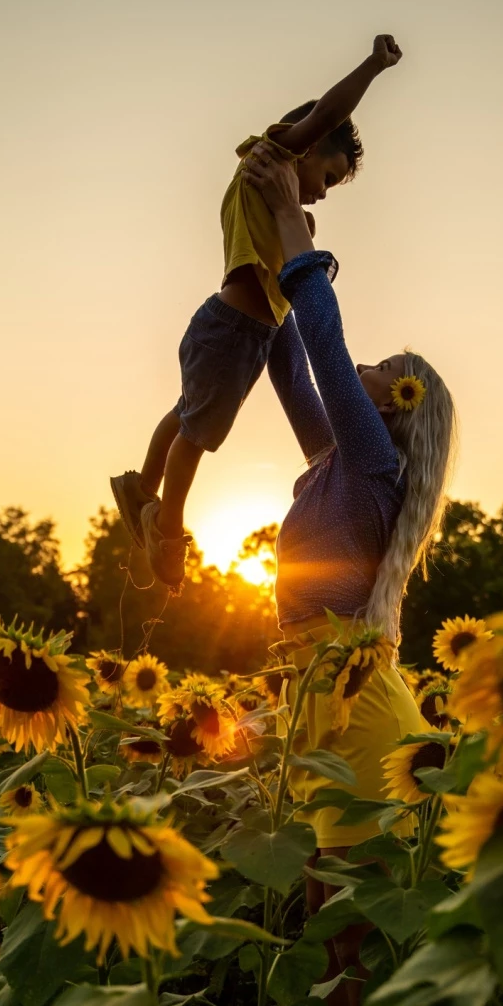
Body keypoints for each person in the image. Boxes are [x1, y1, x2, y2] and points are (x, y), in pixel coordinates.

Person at [243, 141, 456, 1006]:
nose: (361, 367)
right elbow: (289, 359)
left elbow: (322, 335)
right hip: (332, 700)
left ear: (392, 405)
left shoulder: (373, 468)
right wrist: (253, 253)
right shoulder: (339, 465)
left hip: (358, 717)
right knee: (332, 930)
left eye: (381, 370)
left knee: (342, 937)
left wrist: (294, 210)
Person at [109, 34, 403, 590]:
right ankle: (165, 529)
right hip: (234, 330)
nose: (322, 192)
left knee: (187, 413)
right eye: (329, 177)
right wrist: (373, 66)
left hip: (235, 328)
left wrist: (295, 230)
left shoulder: (271, 198)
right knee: (197, 435)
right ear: (309, 148)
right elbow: (328, 111)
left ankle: (140, 489)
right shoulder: (274, 156)